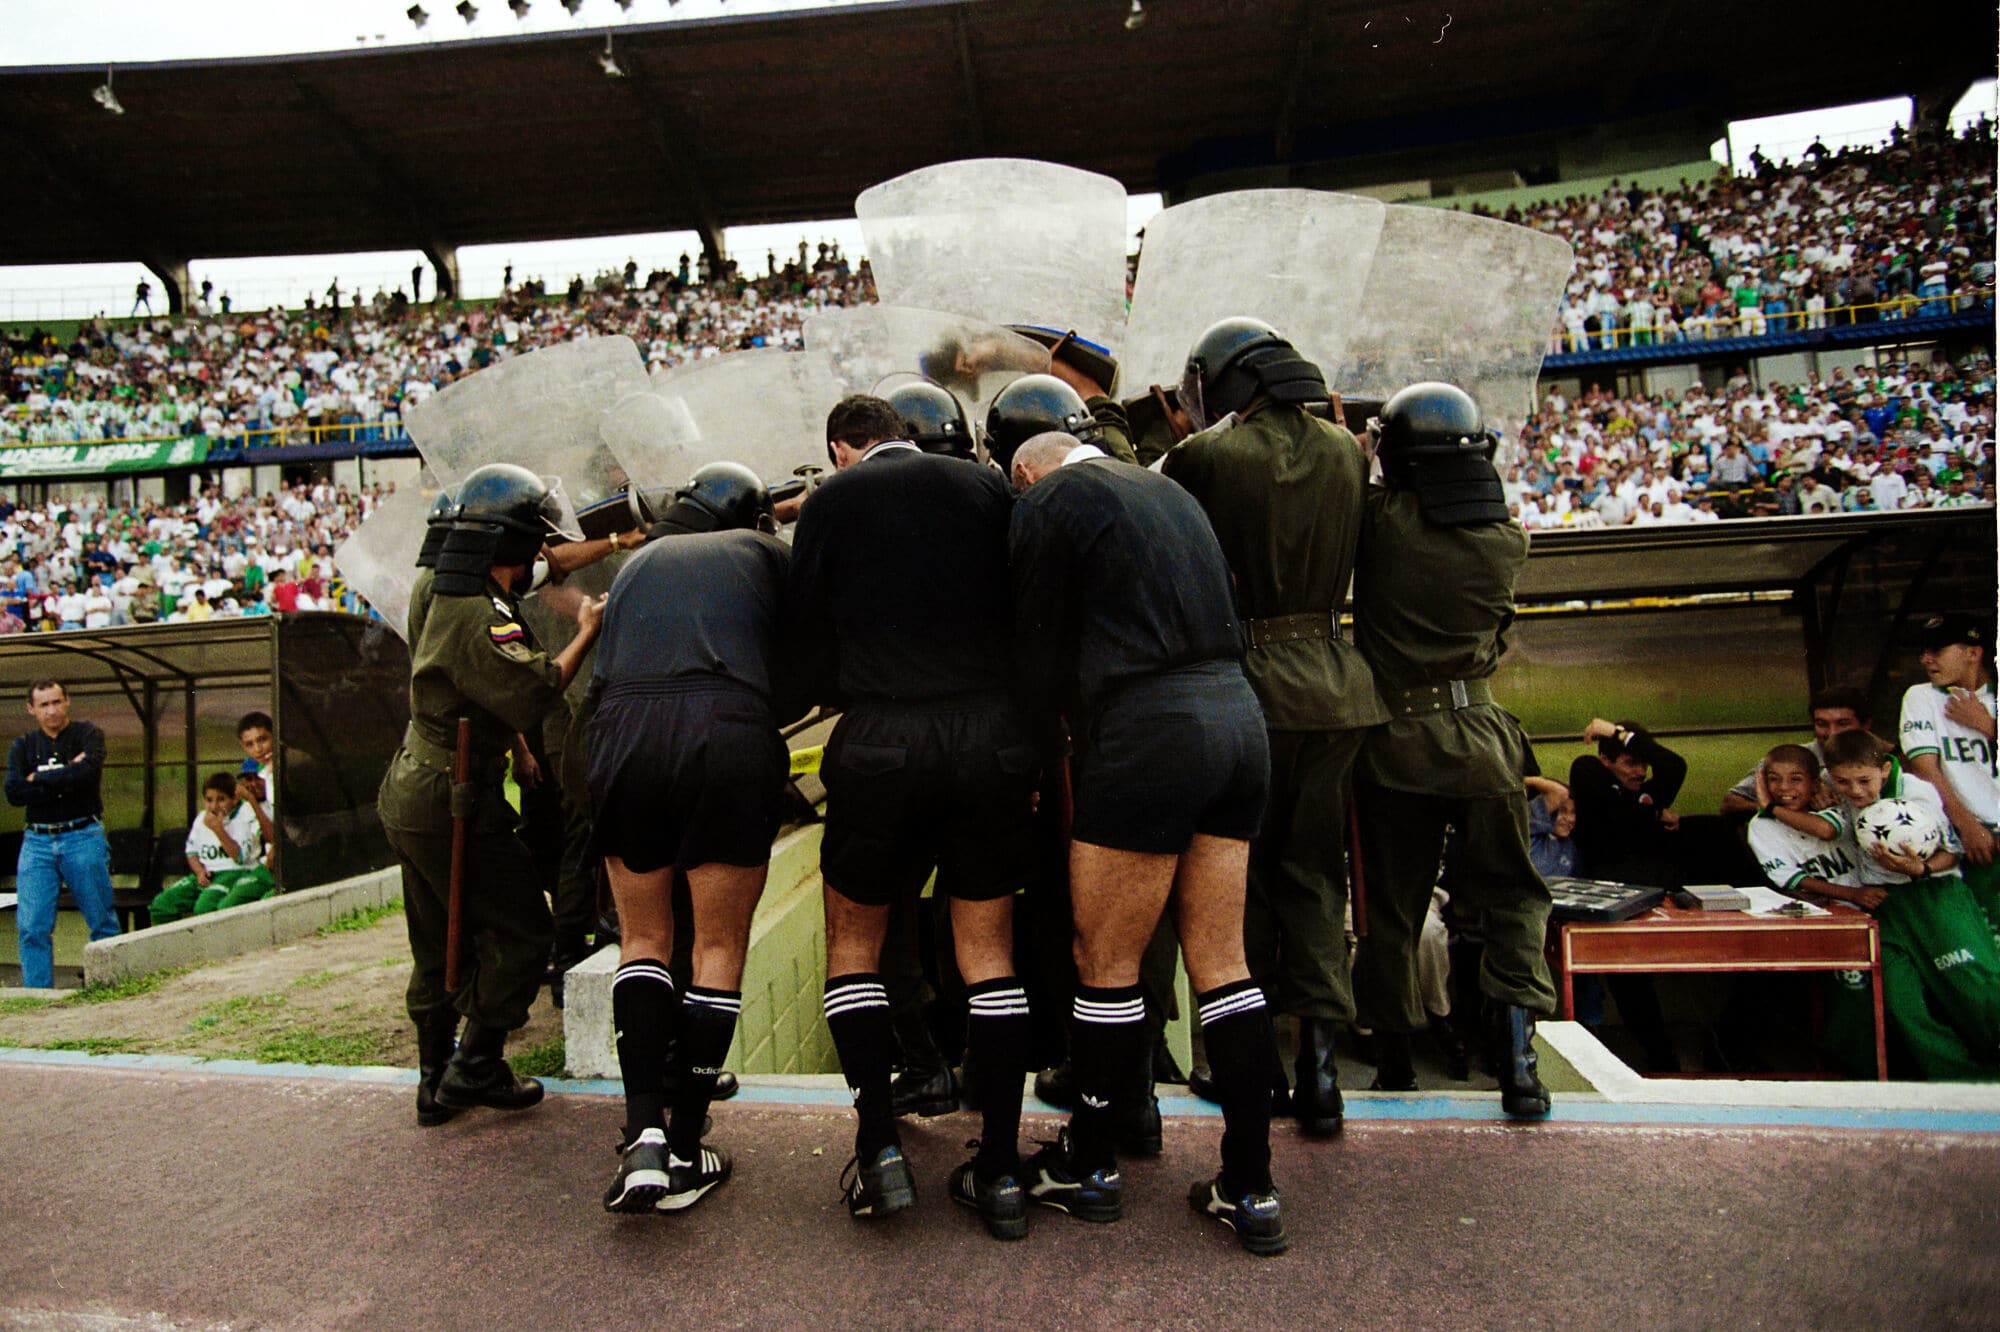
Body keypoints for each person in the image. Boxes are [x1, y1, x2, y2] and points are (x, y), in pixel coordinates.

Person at [1009, 432, 1287, 1256]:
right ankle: (1251, 1184)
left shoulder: (1050, 500)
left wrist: (1036, 750)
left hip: (1148, 728)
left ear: (1024, 472)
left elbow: (1034, 650)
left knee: (1106, 960)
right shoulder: (1168, 492)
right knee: (1223, 961)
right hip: (1237, 717)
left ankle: (1090, 1165)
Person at [786, 394, 1040, 1239]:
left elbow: (806, 642)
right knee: (988, 954)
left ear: (843, 448)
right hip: (988, 736)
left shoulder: (830, 501)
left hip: (881, 737)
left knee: (854, 947)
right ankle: (1000, 1170)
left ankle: (880, 1153)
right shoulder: (985, 487)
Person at [1159, 317, 1384, 1131]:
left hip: (1246, 686)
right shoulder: (1346, 453)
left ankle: (1245, 1066)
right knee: (1318, 877)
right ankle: (1322, 1072)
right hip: (1336, 689)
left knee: (1235, 881)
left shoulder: (1207, 456)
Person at [589, 463, 799, 1215]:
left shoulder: (639, 562)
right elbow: (804, 667)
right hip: (726, 728)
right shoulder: (767, 554)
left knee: (643, 939)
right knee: (716, 947)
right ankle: (685, 1146)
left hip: (621, 731)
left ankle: (643, 1133)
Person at [1347, 383, 1556, 1117]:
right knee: (1512, 899)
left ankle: (1395, 1062)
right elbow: (1497, 637)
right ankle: (1520, 1063)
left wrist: (1363, 452)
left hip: (1395, 745)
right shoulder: (1506, 540)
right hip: (1483, 740)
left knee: (1392, 911)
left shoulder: (1380, 523)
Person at [376, 464, 606, 1128]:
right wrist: (587, 629)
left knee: (435, 939)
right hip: (453, 797)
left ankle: (432, 1080)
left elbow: (475, 683)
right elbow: (533, 688)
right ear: (511, 542)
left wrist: (519, 748)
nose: (542, 548)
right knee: (523, 931)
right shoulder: (478, 614)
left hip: (416, 779)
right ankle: (475, 1064)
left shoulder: (443, 583)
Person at [1820, 729, 2000, 1081]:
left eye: (1864, 781)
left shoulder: (1916, 792)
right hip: (1882, 902)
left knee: (1976, 986)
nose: (1855, 791)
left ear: (1885, 770)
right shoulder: (1832, 788)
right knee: (1901, 1002)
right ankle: (1958, 1082)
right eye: (1843, 782)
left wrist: (1920, 869)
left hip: (1934, 893)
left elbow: (1952, 853)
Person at [5, 679, 117, 987]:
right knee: (32, 926)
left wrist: (38, 778)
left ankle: (111, 990)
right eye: (44, 705)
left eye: (56, 702)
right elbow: (14, 793)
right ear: (31, 709)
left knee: (101, 918)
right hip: (37, 841)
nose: (51, 710)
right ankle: (38, 997)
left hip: (82, 834)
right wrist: (67, 774)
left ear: (67, 701)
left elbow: (88, 774)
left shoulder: (88, 735)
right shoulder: (23, 746)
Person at [1899, 612, 1999, 935]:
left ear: (1973, 652)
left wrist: (1989, 726)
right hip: (1971, 839)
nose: (1926, 659)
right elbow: (1925, 769)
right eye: (1923, 650)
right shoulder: (1921, 697)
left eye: (1937, 650)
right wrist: (1967, 824)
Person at [1719, 686, 1870, 818]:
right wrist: (1791, 805)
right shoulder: (1789, 758)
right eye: (1822, 724)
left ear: (1866, 725)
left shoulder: (1879, 759)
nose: (1832, 732)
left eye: (1842, 724)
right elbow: (1730, 803)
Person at [147, 771, 275, 924]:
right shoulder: (202, 818)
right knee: (161, 905)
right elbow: (191, 852)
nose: (214, 806)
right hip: (206, 874)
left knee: (205, 907)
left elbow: (239, 857)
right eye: (209, 800)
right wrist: (199, 871)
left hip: (233, 872)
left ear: (234, 799)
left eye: (221, 799)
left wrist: (218, 829)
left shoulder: (245, 815)